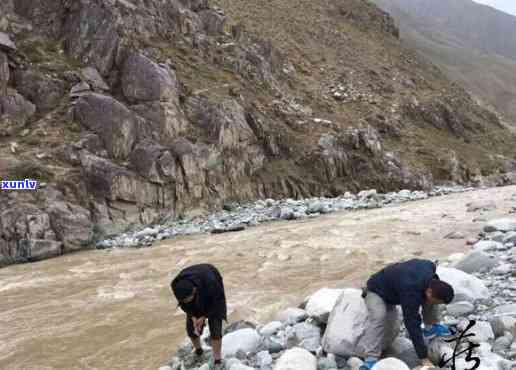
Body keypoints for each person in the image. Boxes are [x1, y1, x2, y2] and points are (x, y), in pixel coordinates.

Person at [358, 259, 455, 370]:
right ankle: (370, 359)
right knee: (379, 317)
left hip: (400, 284)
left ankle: (430, 328)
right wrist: (423, 357)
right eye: (438, 301)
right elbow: (412, 324)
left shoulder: (429, 267)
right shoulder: (411, 291)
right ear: (429, 291)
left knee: (431, 302)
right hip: (377, 291)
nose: (438, 304)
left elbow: (430, 296)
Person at [171, 264, 227, 369]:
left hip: (211, 281)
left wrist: (204, 316)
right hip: (195, 282)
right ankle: (199, 351)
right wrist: (193, 316)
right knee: (191, 328)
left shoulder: (211, 282)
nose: (188, 301)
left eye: (190, 299)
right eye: (185, 300)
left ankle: (217, 360)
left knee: (215, 326)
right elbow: (183, 305)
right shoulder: (175, 285)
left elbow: (216, 302)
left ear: (194, 290)